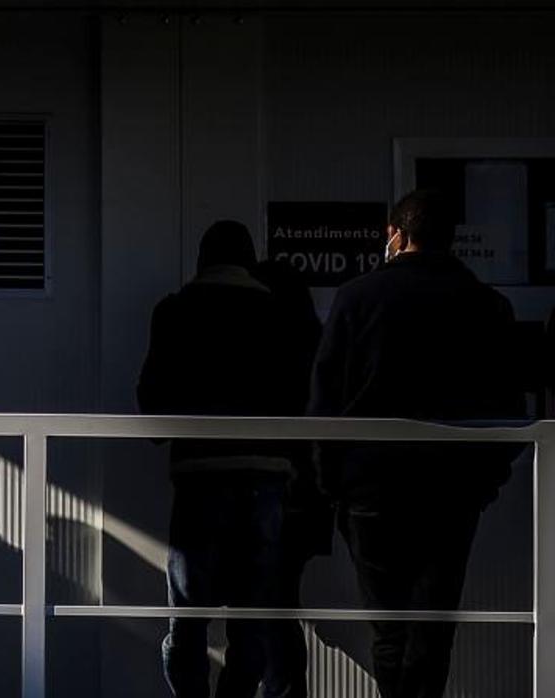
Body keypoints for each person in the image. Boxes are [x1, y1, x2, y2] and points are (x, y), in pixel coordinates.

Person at [309, 189, 525, 698]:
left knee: (389, 628)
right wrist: (483, 480)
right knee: (432, 630)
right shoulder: (487, 305)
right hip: (451, 493)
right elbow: (508, 412)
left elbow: (323, 401)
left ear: (396, 235)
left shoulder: (356, 298)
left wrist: (332, 482)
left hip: (370, 490)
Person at [138, 221, 307, 698]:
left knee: (188, 619)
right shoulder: (279, 313)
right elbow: (298, 398)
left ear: (202, 259)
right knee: (250, 622)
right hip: (266, 477)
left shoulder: (175, 312)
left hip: (200, 479)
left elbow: (152, 404)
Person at [245, 259, 332, 698]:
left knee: (267, 609)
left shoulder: (264, 349)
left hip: (275, 492)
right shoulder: (314, 349)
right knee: (276, 606)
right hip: (306, 497)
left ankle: (279, 689)